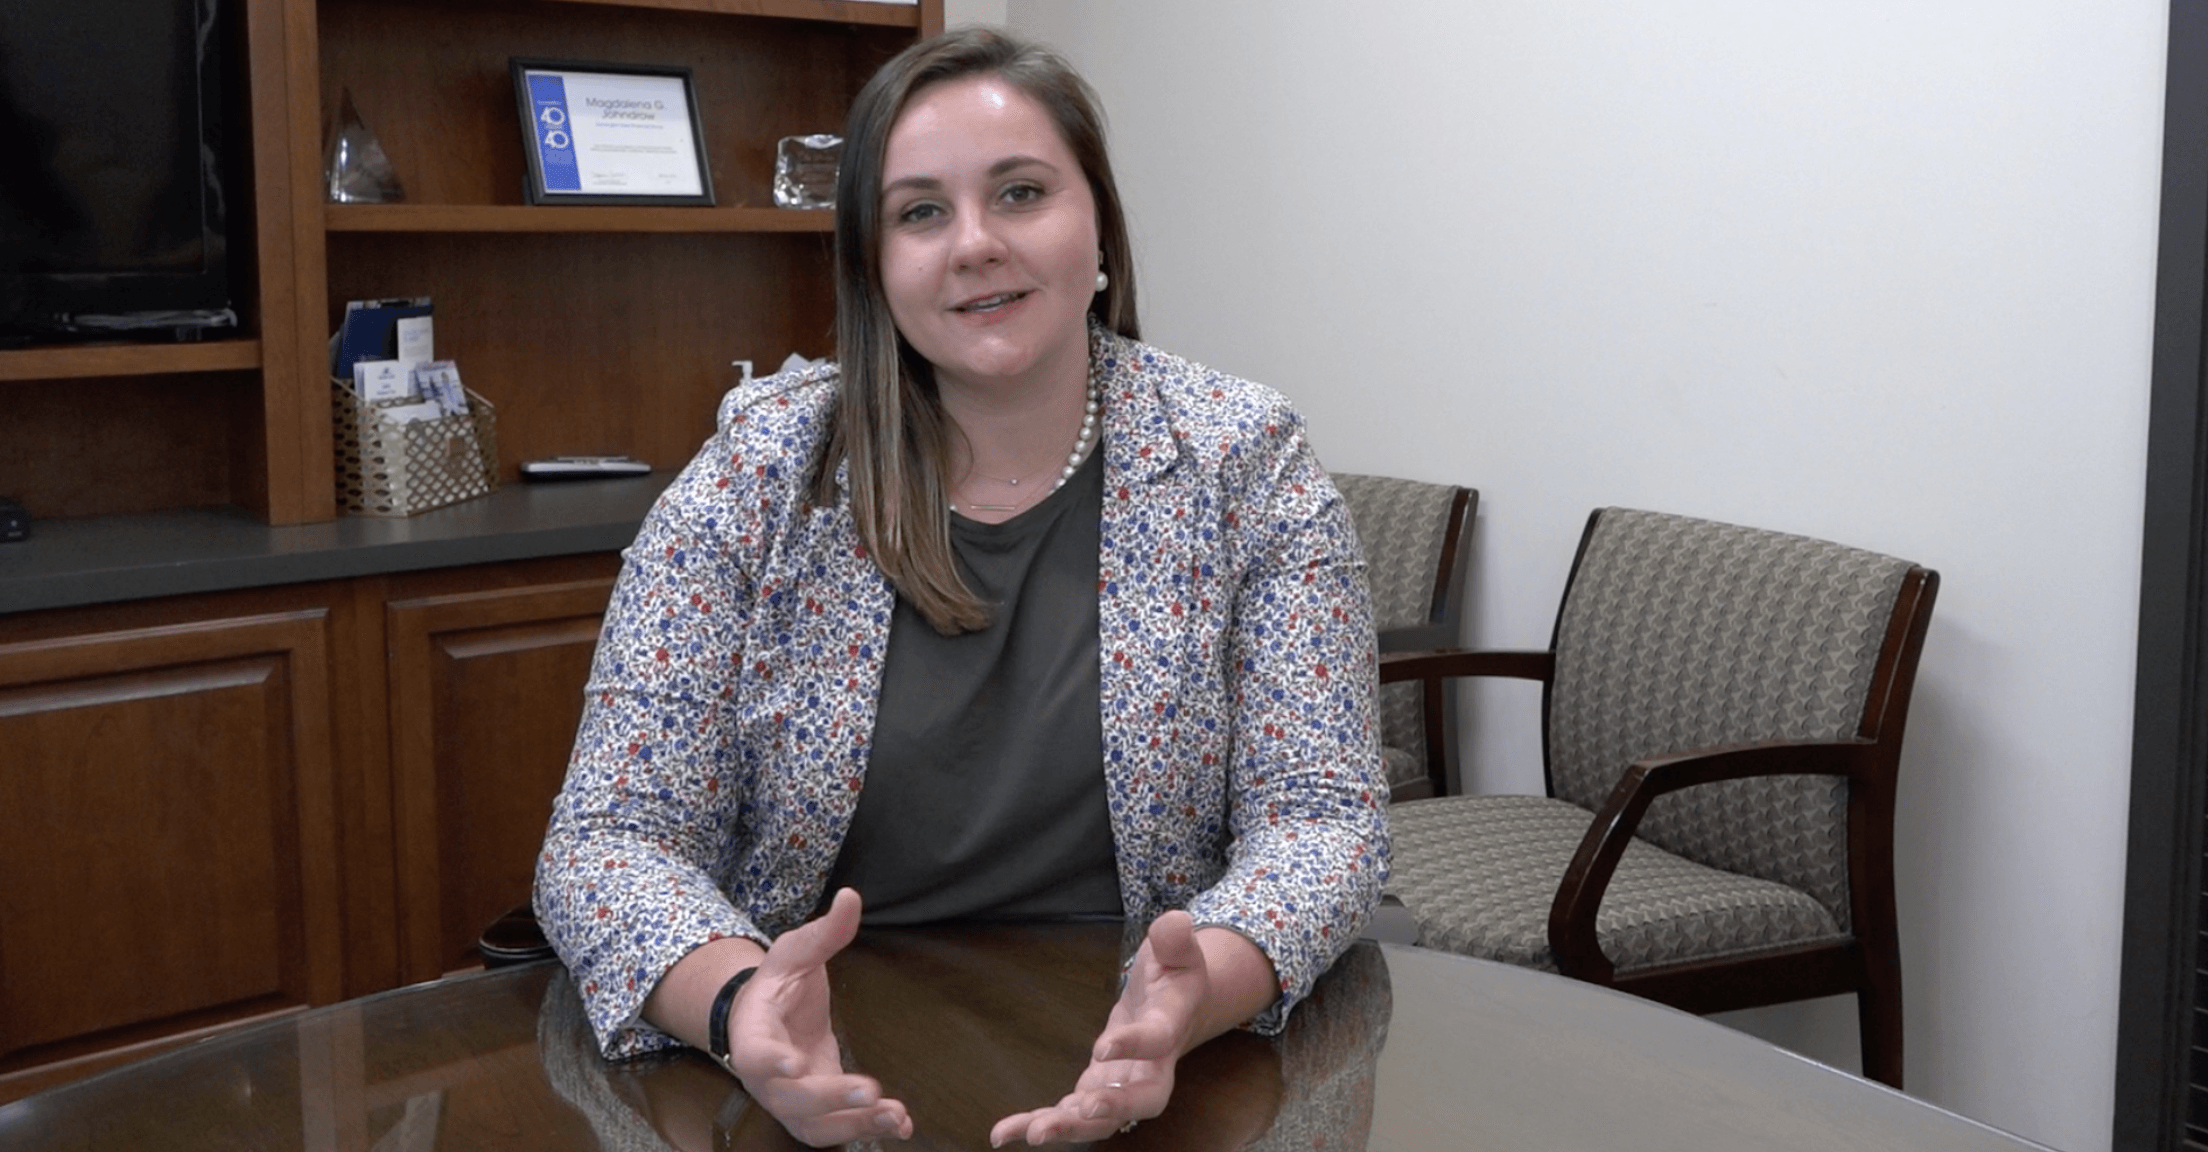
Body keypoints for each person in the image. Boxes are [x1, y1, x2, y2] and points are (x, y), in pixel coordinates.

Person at [534, 26, 1387, 1148]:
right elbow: (605, 840)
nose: (975, 244)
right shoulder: (759, 475)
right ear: (873, 268)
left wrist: (1193, 995)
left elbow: (1322, 819)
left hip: (1166, 1059)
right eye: (920, 212)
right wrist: (746, 1008)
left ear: (1101, 235)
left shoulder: (1244, 459)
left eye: (1021, 192)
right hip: (821, 1069)